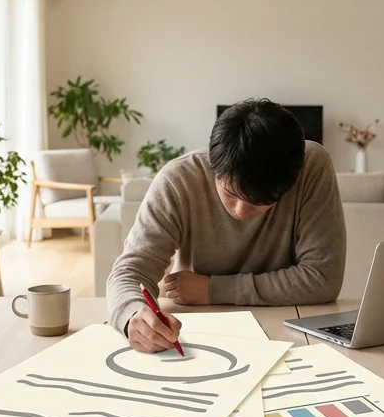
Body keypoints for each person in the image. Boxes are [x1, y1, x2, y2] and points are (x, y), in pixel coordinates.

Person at [107, 98, 346, 352]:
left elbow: (323, 279)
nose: (240, 211)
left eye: (259, 202)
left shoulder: (311, 167)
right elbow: (129, 271)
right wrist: (132, 316)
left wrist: (213, 289)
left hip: (288, 329)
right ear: (213, 164)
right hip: (194, 326)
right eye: (230, 193)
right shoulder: (178, 181)